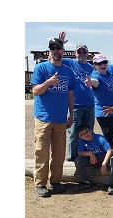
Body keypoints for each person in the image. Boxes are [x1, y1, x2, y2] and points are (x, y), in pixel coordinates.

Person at [29, 37, 75, 197]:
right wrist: (48, 82)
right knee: (41, 151)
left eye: (58, 48)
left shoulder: (68, 72)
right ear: (50, 51)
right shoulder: (41, 68)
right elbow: (35, 91)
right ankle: (40, 184)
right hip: (43, 118)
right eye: (53, 48)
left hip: (61, 119)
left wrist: (71, 114)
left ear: (63, 50)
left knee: (59, 153)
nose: (56, 51)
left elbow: (70, 95)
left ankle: (55, 181)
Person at [56, 31, 95, 162]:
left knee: (89, 132)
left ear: (87, 54)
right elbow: (57, 56)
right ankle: (72, 158)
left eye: (84, 52)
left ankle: (87, 156)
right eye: (79, 52)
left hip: (89, 105)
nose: (82, 54)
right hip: (76, 105)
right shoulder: (70, 63)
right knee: (74, 132)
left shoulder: (91, 67)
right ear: (75, 53)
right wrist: (60, 42)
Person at [73, 124, 113, 195]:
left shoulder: (100, 138)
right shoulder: (82, 141)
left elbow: (109, 151)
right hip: (92, 161)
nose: (86, 134)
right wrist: (90, 153)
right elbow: (80, 153)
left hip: (104, 159)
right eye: (82, 134)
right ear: (80, 137)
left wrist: (104, 164)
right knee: (78, 160)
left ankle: (111, 184)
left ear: (91, 130)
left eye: (86, 132)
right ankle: (85, 182)